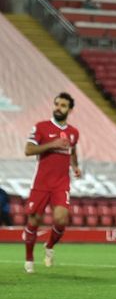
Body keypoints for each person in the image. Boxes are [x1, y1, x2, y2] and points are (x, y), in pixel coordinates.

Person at [22, 92, 81, 274]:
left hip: (61, 183)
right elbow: (28, 150)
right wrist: (52, 144)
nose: (58, 108)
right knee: (34, 221)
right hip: (41, 182)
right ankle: (29, 258)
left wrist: (75, 166)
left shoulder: (73, 132)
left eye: (63, 105)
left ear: (70, 110)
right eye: (56, 104)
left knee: (61, 219)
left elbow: (71, 151)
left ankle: (49, 245)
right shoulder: (41, 127)